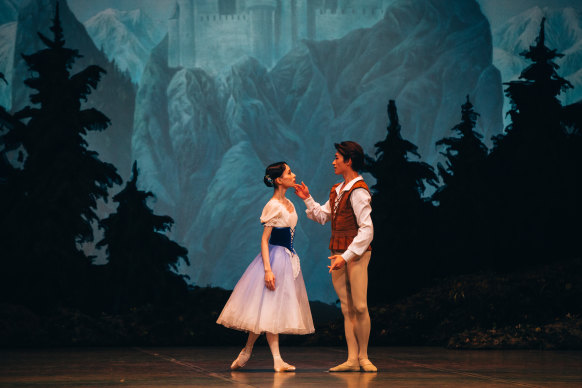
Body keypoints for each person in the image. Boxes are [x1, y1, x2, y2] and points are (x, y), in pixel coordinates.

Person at [216, 162, 314, 372]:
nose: (294, 174)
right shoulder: (272, 205)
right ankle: (261, 355)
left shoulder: (289, 202)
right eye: (289, 172)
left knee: (269, 311)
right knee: (268, 308)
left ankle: (252, 352)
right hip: (274, 259)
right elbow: (264, 239)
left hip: (288, 259)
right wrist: (268, 270)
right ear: (279, 180)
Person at [294, 141, 377, 372]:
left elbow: (367, 229)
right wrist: (307, 199)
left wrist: (347, 256)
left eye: (337, 158)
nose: (333, 161)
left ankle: (363, 356)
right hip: (337, 250)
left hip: (356, 253)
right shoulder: (337, 189)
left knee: (360, 306)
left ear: (348, 161)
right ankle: (352, 359)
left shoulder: (358, 190)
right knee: (347, 307)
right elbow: (323, 217)